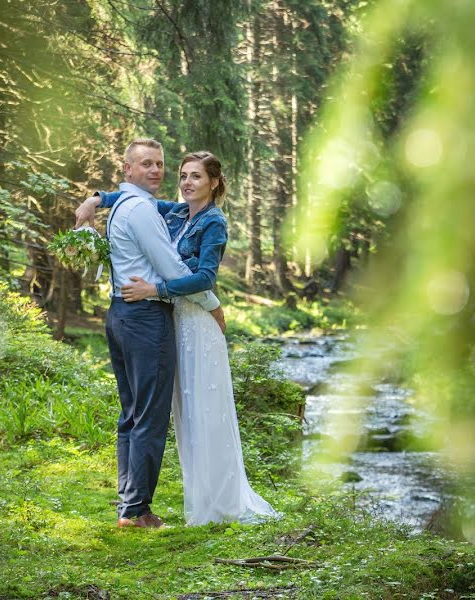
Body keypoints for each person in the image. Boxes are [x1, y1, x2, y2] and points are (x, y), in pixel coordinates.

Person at [88, 151, 276, 526]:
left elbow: (205, 277)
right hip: (172, 321)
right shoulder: (173, 213)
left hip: (196, 325)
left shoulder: (214, 223)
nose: (187, 182)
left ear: (214, 183)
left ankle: (216, 499)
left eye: (196, 177)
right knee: (173, 411)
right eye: (184, 176)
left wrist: (157, 290)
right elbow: (135, 197)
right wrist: (96, 197)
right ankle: (139, 506)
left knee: (204, 410)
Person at [80, 138, 225, 529]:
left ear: (213, 182)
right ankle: (136, 510)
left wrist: (96, 198)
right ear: (128, 169)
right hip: (145, 319)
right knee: (149, 417)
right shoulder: (143, 210)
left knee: (132, 414)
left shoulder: (134, 205)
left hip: (122, 315)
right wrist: (212, 305)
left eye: (161, 164)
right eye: (147, 164)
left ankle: (129, 506)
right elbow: (176, 271)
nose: (158, 172)